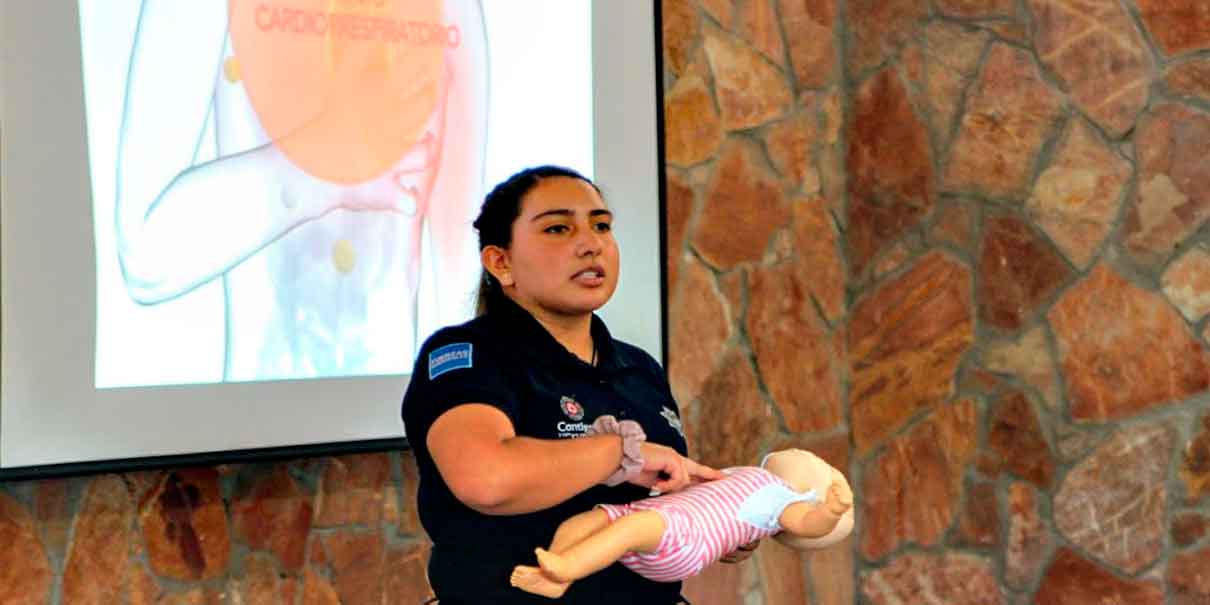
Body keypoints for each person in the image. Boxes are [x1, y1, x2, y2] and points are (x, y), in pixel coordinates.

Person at [401, 166, 744, 603]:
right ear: (500, 262)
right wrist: (620, 451)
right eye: (559, 228)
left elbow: (651, 511)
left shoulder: (639, 368)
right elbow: (485, 478)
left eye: (601, 225)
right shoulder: (465, 355)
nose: (591, 243)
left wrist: (723, 520)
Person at [113, 0, 486, 381]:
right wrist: (325, 169)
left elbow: (465, 281)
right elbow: (146, 257)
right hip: (251, 412)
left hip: (395, 410)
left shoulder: (452, 7)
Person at [510, 448, 855, 599]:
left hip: (687, 540)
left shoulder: (783, 503)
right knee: (592, 519)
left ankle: (569, 567)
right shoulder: (750, 476)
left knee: (628, 530)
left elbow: (807, 523)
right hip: (658, 515)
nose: (800, 455)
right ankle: (555, 577)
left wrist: (829, 513)